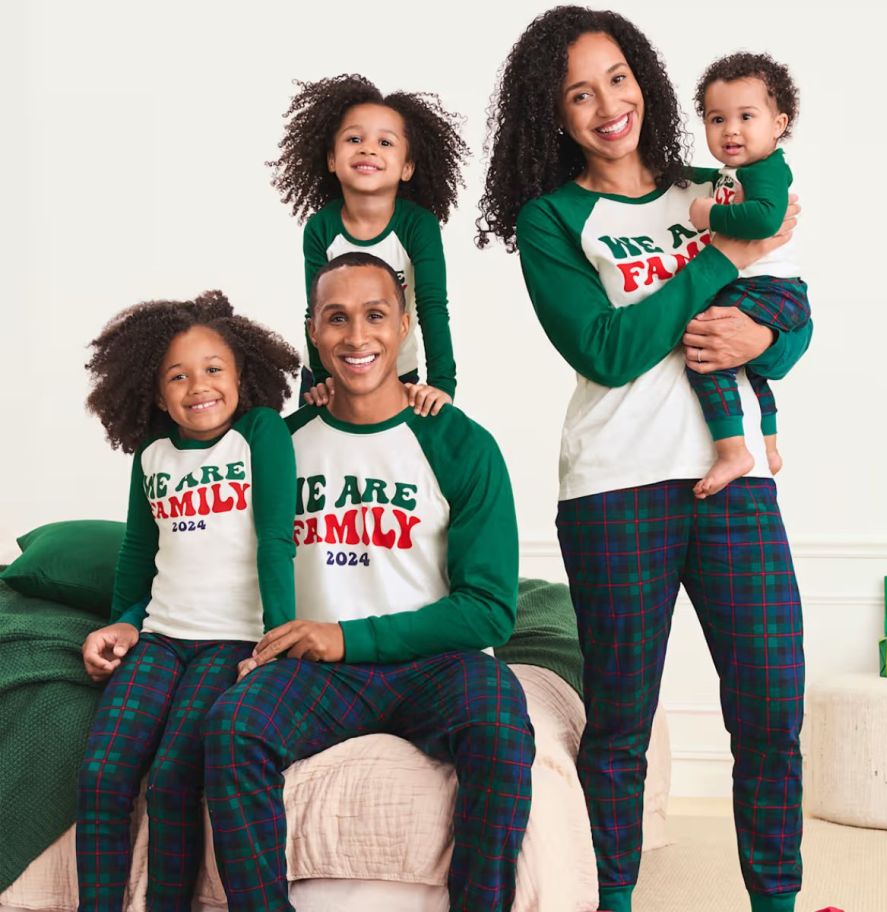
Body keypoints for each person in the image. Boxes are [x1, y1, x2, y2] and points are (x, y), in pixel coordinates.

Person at [477, 8, 810, 912]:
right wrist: (720, 262)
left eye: (618, 78)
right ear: (554, 114)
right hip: (615, 488)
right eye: (578, 93)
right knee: (620, 725)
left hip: (732, 478)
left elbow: (788, 315)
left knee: (773, 713)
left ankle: (775, 900)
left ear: (647, 82)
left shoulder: (714, 188)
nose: (606, 104)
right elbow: (609, 349)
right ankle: (611, 899)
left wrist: (760, 334)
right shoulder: (553, 220)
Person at [203, 253, 534, 912]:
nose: (357, 338)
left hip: (434, 663)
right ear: (314, 332)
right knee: (231, 730)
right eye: (337, 319)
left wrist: (342, 637)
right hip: (316, 669)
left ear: (405, 324)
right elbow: (223, 547)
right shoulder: (278, 446)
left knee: (500, 720)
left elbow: (490, 611)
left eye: (376, 315)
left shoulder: (461, 444)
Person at [76, 291, 299, 911]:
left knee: (174, 776)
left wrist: (277, 643)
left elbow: (277, 540)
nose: (197, 386)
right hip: (160, 640)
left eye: (213, 369)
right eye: (177, 375)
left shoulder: (260, 434)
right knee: (102, 775)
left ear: (242, 376)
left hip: (230, 641)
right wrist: (120, 625)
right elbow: (135, 558)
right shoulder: (152, 456)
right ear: (154, 391)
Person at [270, 74, 468, 415]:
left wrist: (441, 384)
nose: (368, 148)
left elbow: (432, 305)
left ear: (407, 167)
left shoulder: (417, 226)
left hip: (396, 373)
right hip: (328, 371)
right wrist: (322, 380)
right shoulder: (321, 228)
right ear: (332, 159)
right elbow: (315, 312)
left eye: (385, 143)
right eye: (354, 138)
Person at [686, 51, 810, 497]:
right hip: (764, 288)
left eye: (745, 116)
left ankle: (734, 451)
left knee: (706, 354)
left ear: (778, 124)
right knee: (746, 371)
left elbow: (761, 220)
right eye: (716, 119)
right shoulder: (737, 171)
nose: (730, 129)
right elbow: (715, 182)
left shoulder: (767, 171)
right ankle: (769, 446)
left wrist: (709, 214)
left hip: (770, 288)